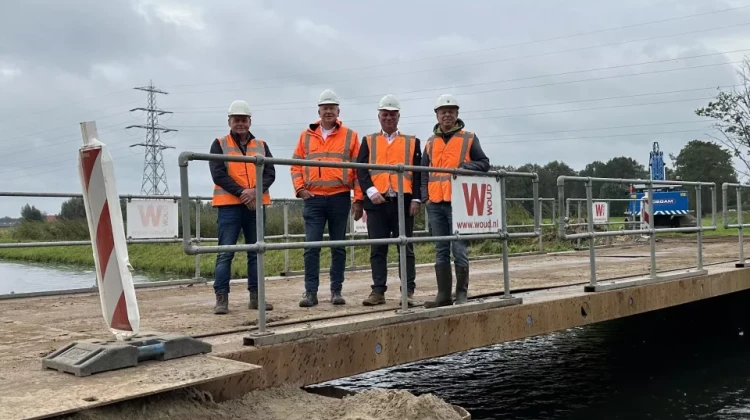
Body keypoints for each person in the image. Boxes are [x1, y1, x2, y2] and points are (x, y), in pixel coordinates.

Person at [291, 89, 364, 307]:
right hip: (313, 199)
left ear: (338, 111)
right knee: (311, 246)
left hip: (339, 197)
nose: (328, 112)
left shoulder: (350, 136)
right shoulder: (306, 136)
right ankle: (310, 292)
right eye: (325, 108)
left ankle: (336, 291)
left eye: (332, 108)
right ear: (319, 111)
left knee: (338, 246)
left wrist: (358, 198)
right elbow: (295, 165)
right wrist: (300, 189)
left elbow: (359, 170)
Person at [421, 94, 490, 308]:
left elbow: (484, 163)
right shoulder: (430, 142)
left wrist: (466, 167)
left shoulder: (469, 138)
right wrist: (425, 196)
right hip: (435, 202)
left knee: (458, 247)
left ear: (457, 114)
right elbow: (423, 171)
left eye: (451, 111)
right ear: (437, 115)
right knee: (441, 248)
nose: (447, 115)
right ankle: (443, 295)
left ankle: (461, 294)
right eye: (443, 112)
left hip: (458, 203)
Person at [208, 100, 275, 315]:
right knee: (225, 253)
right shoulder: (219, 143)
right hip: (229, 206)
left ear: (250, 121)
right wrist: (242, 193)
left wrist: (254, 191)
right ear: (229, 121)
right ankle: (221, 299)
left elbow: (270, 173)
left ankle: (256, 298)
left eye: (243, 120)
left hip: (255, 205)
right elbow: (218, 173)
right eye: (236, 120)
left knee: (256, 252)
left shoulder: (262, 145)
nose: (240, 124)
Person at [356, 94, 422, 306]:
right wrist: (370, 191)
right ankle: (378, 291)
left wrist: (417, 199)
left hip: (403, 202)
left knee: (406, 247)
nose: (389, 118)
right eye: (385, 114)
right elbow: (361, 171)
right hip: (377, 203)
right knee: (378, 248)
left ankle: (408, 291)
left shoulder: (412, 142)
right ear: (379, 116)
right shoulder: (368, 141)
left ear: (398, 116)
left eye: (392, 114)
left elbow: (419, 173)